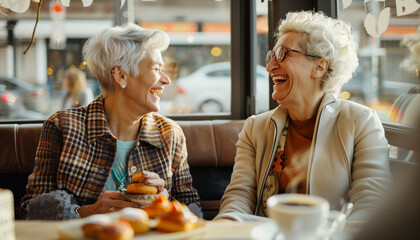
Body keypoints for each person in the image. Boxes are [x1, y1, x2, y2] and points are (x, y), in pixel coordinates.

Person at [214, 10, 392, 228]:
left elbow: (370, 203)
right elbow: (239, 196)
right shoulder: (255, 127)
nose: (269, 67)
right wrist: (227, 223)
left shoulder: (360, 121)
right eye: (272, 56)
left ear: (319, 66)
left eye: (283, 54)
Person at [20, 23, 200, 220]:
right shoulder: (62, 127)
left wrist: (163, 201)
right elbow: (31, 208)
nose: (166, 80)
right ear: (121, 75)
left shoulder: (170, 133)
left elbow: (192, 209)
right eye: (156, 68)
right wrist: (87, 212)